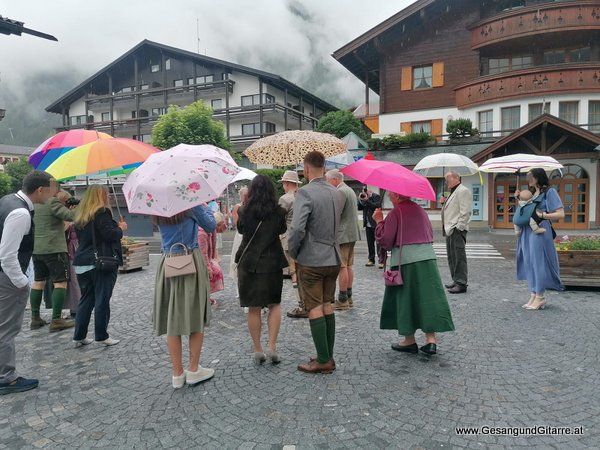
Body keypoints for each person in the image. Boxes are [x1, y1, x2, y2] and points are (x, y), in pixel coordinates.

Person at [373, 191, 455, 355]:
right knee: (428, 298)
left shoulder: (396, 212)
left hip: (406, 262)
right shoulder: (420, 210)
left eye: (390, 195)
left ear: (397, 196)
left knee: (405, 299)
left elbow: (386, 240)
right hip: (427, 259)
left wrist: (379, 221)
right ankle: (431, 340)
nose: (389, 197)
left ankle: (409, 340)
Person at [288, 151, 343, 374]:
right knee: (328, 304)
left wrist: (293, 252)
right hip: (334, 256)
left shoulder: (305, 193)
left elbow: (298, 228)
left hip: (312, 258)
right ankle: (327, 355)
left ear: (306, 168)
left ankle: (323, 360)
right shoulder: (336, 192)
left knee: (314, 307)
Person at [0, 170, 54, 395]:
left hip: (5, 276)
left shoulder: (8, 201)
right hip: (7, 278)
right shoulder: (20, 213)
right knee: (6, 328)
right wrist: (22, 282)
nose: (53, 194)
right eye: (51, 189)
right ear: (40, 190)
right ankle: (6, 378)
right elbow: (7, 255)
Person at [154, 205, 216, 388]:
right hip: (190, 259)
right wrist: (205, 208)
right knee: (195, 312)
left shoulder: (157, 205)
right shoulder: (190, 203)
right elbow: (211, 225)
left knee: (172, 315)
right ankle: (194, 369)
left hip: (168, 260)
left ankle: (177, 374)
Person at [235, 175, 288, 365]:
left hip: (248, 264)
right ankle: (272, 347)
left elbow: (241, 231)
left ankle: (258, 349)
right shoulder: (279, 212)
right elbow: (281, 231)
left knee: (253, 307)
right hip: (272, 263)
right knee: (274, 304)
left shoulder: (243, 211)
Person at [72, 186, 127, 348]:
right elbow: (109, 235)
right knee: (102, 299)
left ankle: (79, 336)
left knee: (86, 300)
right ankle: (101, 335)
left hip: (82, 262)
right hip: (101, 263)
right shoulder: (102, 212)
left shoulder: (82, 215)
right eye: (107, 194)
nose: (109, 197)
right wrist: (120, 229)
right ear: (100, 196)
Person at [29, 183, 76, 332]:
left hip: (37, 249)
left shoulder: (34, 203)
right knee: (60, 282)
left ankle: (35, 318)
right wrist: (75, 207)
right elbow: (70, 217)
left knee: (38, 282)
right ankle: (56, 319)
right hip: (54, 249)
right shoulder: (52, 201)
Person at [516, 168, 564, 310]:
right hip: (527, 230)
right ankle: (533, 294)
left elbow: (561, 214)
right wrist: (519, 199)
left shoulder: (550, 192)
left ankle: (540, 296)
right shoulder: (533, 193)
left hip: (540, 230)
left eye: (530, 176)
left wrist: (542, 215)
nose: (528, 179)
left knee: (538, 263)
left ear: (538, 177)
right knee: (529, 262)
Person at [325, 169, 361, 310]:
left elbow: (336, 213)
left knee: (342, 266)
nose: (328, 184)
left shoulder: (340, 191)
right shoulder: (349, 190)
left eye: (328, 180)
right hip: (351, 233)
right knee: (348, 265)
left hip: (343, 234)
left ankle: (342, 299)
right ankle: (349, 297)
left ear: (335, 179)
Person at [278, 170, 307, 318]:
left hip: (289, 238)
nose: (283, 185)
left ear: (287, 183)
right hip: (304, 239)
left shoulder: (285, 199)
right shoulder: (304, 196)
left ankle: (301, 303)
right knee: (303, 270)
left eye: (283, 183)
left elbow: (279, 220)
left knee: (293, 271)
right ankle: (306, 300)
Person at [440, 171, 472, 294]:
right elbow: (452, 209)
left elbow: (465, 212)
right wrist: (443, 204)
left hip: (456, 229)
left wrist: (459, 227)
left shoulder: (462, 191)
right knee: (452, 257)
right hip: (450, 228)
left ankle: (461, 283)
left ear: (456, 178)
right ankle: (456, 279)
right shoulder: (453, 191)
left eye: (447, 178)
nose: (446, 181)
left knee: (459, 257)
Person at [198, 211, 226, 305]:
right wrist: (208, 267)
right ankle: (204, 299)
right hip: (201, 260)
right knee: (208, 275)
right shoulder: (203, 233)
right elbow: (204, 253)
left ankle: (205, 297)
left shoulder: (209, 231)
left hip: (205, 258)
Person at [229, 186, 248, 302]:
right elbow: (237, 223)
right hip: (240, 235)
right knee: (237, 260)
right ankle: (238, 288)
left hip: (246, 235)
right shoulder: (238, 207)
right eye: (244, 195)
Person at [358, 187, 382, 267]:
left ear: (369, 190)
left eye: (366, 191)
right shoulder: (364, 198)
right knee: (370, 243)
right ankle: (371, 259)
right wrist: (361, 200)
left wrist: (367, 200)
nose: (365, 192)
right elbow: (359, 208)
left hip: (375, 223)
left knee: (379, 243)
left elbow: (377, 206)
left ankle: (381, 260)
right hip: (367, 224)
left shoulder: (376, 196)